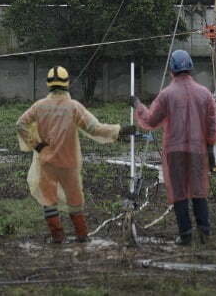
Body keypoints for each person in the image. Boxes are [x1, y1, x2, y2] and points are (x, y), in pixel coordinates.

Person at [15, 65, 131, 243]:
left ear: (48, 84)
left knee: (48, 201)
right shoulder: (74, 107)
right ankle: (82, 236)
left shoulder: (39, 106)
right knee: (75, 202)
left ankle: (57, 237)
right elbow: (94, 129)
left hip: (46, 162)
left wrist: (36, 146)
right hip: (69, 164)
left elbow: (20, 124)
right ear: (66, 84)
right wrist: (119, 131)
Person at [134, 50, 216, 246]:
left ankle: (185, 234)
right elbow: (212, 124)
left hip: (175, 151)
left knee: (179, 192)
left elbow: (151, 119)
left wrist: (138, 106)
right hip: (198, 150)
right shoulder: (204, 93)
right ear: (190, 67)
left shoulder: (166, 95)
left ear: (172, 70)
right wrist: (210, 149)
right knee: (199, 191)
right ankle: (204, 231)